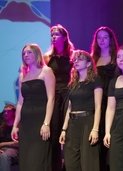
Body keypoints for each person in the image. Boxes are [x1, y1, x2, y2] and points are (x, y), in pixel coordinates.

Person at [11, 43, 55, 171]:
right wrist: (15, 125)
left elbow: (51, 99)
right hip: (26, 125)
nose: (26, 55)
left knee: (38, 161)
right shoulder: (22, 76)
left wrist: (46, 123)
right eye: (24, 53)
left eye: (29, 52)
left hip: (40, 121)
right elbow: (20, 102)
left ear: (37, 54)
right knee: (26, 161)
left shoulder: (46, 71)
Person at [59, 49, 103, 171]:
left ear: (88, 63)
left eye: (80, 59)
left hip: (87, 122)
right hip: (73, 123)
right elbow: (69, 107)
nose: (76, 61)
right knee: (71, 161)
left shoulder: (95, 80)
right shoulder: (73, 83)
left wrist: (95, 129)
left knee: (88, 161)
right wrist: (64, 129)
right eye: (75, 59)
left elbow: (98, 106)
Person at [44, 24, 74, 171]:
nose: (53, 37)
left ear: (64, 37)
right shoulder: (47, 57)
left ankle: (69, 165)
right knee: (55, 130)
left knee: (68, 129)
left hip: (68, 94)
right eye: (52, 35)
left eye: (56, 34)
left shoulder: (72, 56)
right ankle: (55, 166)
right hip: (54, 95)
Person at [90, 26, 119, 171]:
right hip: (97, 103)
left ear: (111, 39)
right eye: (99, 38)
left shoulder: (117, 57)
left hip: (114, 101)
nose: (102, 40)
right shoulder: (93, 59)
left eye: (105, 37)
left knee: (112, 137)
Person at [0, 104, 18, 171]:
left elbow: (19, 143)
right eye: (4, 111)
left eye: (8, 111)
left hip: (14, 149)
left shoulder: (17, 127)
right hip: (2, 149)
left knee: (5, 155)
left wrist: (2, 144)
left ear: (14, 112)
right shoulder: (2, 127)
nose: (6, 113)